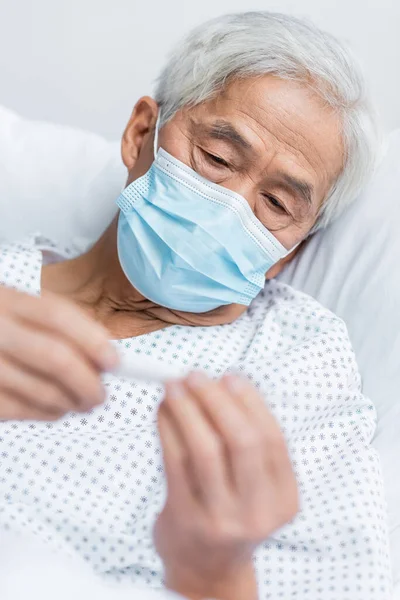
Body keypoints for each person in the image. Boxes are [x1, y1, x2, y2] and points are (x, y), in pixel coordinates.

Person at [0, 10, 391, 600]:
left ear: (288, 254)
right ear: (140, 134)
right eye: (217, 158)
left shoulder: (295, 364)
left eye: (277, 203)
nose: (230, 208)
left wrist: (213, 572)